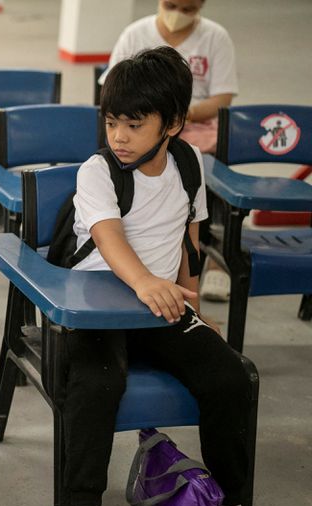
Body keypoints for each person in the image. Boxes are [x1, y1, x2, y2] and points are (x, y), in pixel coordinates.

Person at [59, 47, 296, 506]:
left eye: (133, 124)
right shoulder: (98, 172)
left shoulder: (189, 165)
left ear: (172, 124)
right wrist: (144, 283)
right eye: (111, 121)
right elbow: (110, 238)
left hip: (162, 306)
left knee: (230, 379)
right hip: (96, 311)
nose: (118, 135)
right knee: (96, 387)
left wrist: (192, 304)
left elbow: (186, 243)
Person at [101, 0, 239, 302]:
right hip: (159, 123)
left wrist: (194, 310)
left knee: (203, 171)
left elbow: (223, 96)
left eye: (187, 8)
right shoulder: (134, 34)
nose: (177, 13)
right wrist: (140, 122)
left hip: (195, 127)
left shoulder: (216, 37)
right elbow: (115, 96)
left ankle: (217, 256)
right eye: (171, 4)